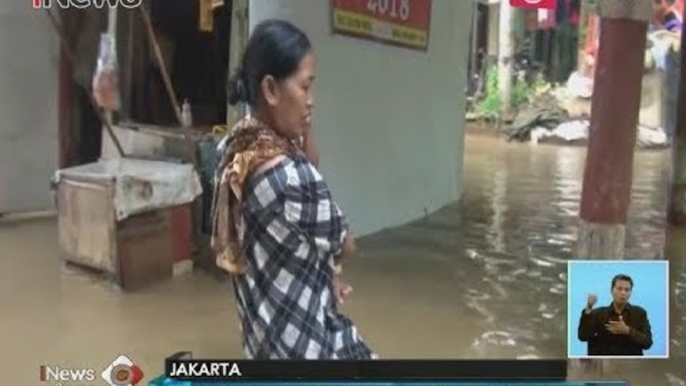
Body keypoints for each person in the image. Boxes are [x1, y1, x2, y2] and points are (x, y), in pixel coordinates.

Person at [211, 19, 375, 359]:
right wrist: (329, 267)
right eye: (305, 87)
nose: (311, 101)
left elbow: (309, 167)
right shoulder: (292, 179)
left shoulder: (233, 151)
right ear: (271, 90)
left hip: (262, 344)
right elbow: (346, 246)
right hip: (309, 351)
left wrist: (321, 274)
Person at [577, 274, 653, 356]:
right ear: (612, 290)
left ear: (631, 292)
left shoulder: (639, 313)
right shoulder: (597, 314)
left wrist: (627, 330)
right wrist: (589, 307)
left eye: (627, 290)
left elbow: (647, 342)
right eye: (619, 289)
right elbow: (583, 337)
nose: (623, 293)